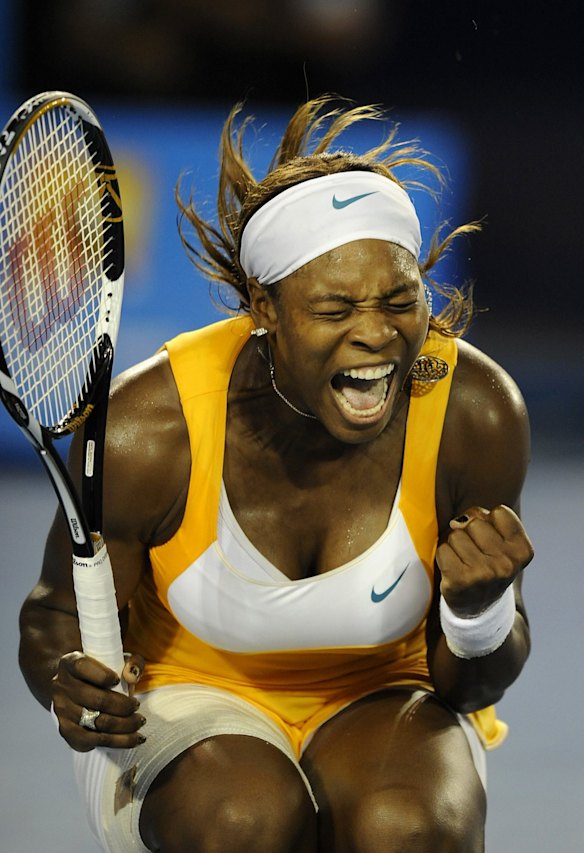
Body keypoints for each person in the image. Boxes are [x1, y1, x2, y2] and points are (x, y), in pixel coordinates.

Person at [19, 95, 534, 852]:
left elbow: (472, 685)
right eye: (335, 307)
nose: (375, 333)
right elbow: (55, 614)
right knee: (246, 821)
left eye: (400, 299)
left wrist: (480, 614)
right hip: (186, 698)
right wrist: (70, 678)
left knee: (408, 829)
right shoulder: (148, 431)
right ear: (265, 306)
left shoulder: (474, 412)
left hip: (385, 694)